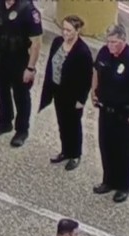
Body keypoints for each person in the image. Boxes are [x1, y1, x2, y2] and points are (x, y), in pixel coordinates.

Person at [90, 24, 129, 203]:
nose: (110, 45)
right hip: (106, 111)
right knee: (106, 147)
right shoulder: (104, 53)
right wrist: (94, 92)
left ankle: (124, 186)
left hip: (125, 116)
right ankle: (109, 180)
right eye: (108, 41)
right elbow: (96, 71)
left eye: (114, 42)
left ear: (123, 40)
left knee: (124, 152)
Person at [0, 0, 42, 147]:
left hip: (19, 60)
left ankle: (22, 130)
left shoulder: (28, 11)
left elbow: (36, 43)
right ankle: (5, 122)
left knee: (21, 96)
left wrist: (30, 68)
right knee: (2, 91)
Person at [37, 15, 90, 170]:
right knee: (62, 123)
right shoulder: (57, 42)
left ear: (77, 31)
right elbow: (51, 64)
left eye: (69, 30)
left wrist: (81, 100)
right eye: (64, 29)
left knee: (73, 125)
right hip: (58, 91)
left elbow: (86, 79)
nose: (65, 33)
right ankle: (65, 150)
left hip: (72, 96)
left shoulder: (82, 52)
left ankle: (75, 154)